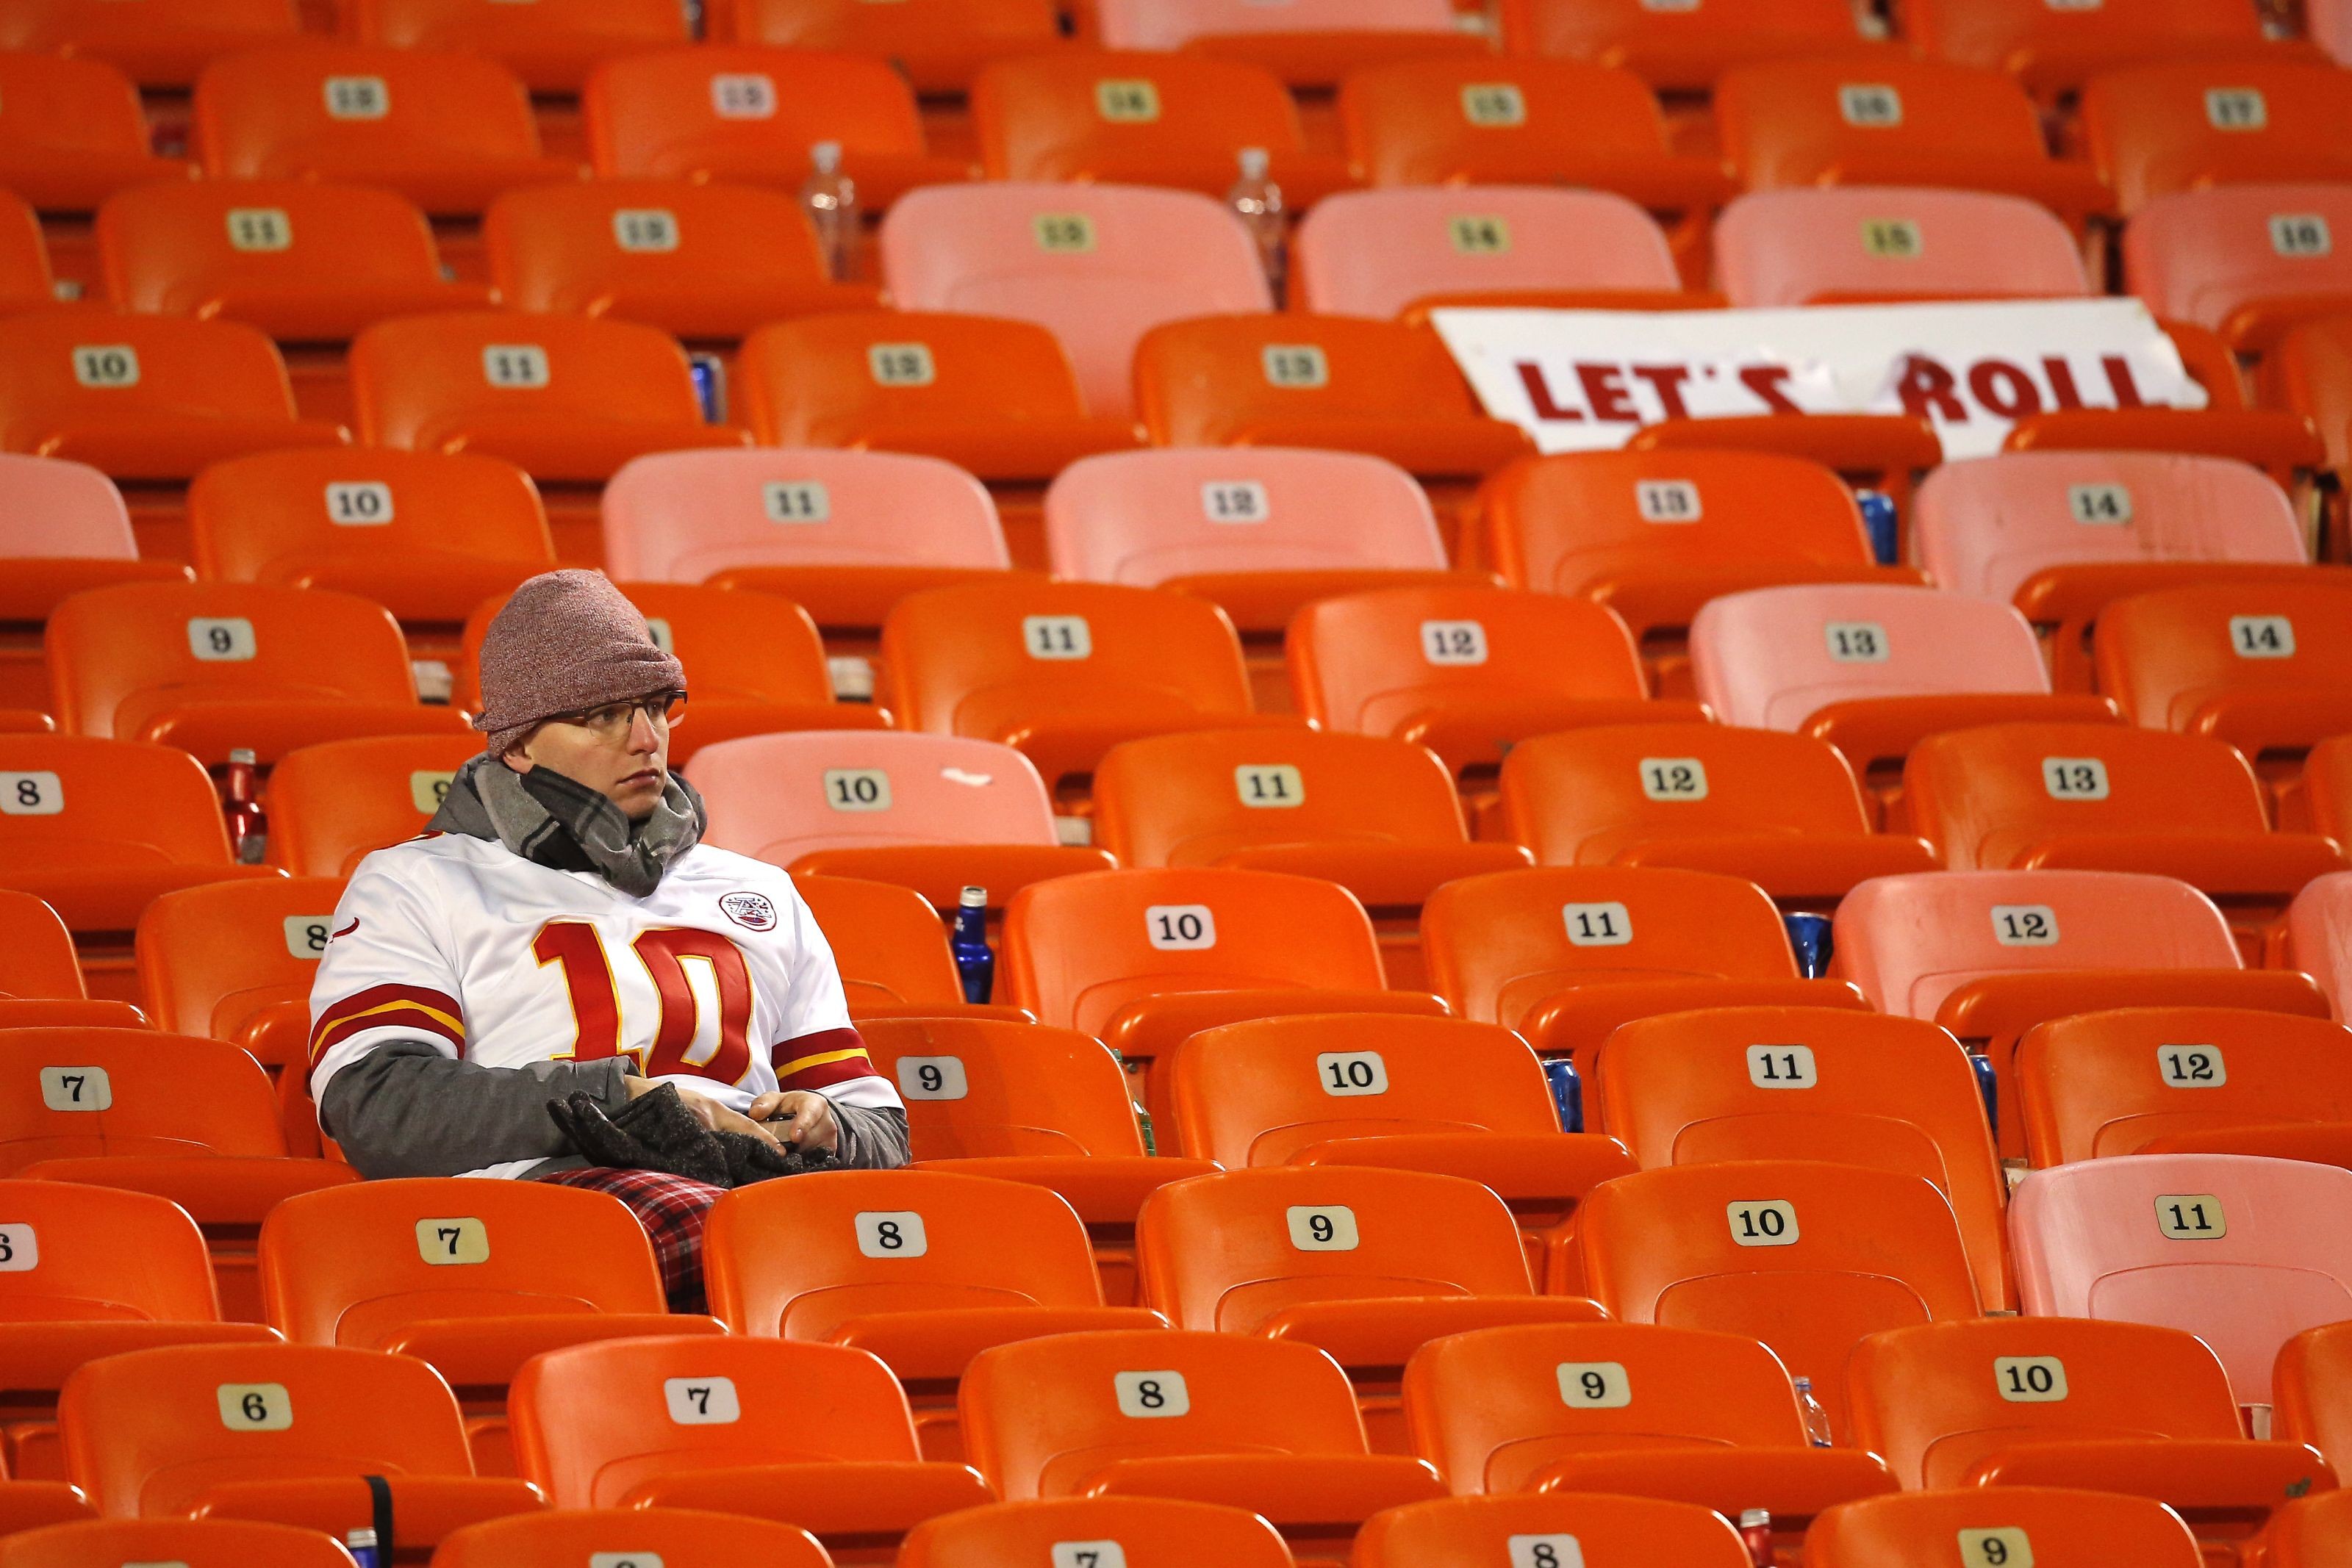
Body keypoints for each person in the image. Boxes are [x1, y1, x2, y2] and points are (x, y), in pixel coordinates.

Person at [307, 569, 907, 1309]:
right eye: (604, 715)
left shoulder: (762, 891)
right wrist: (623, 1101)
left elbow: (881, 1133)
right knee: (745, 1243)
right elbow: (378, 1106)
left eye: (657, 707)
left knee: (944, 1244)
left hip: (759, 1193)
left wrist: (828, 1124)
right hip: (554, 1202)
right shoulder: (415, 881)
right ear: (519, 744)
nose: (647, 740)